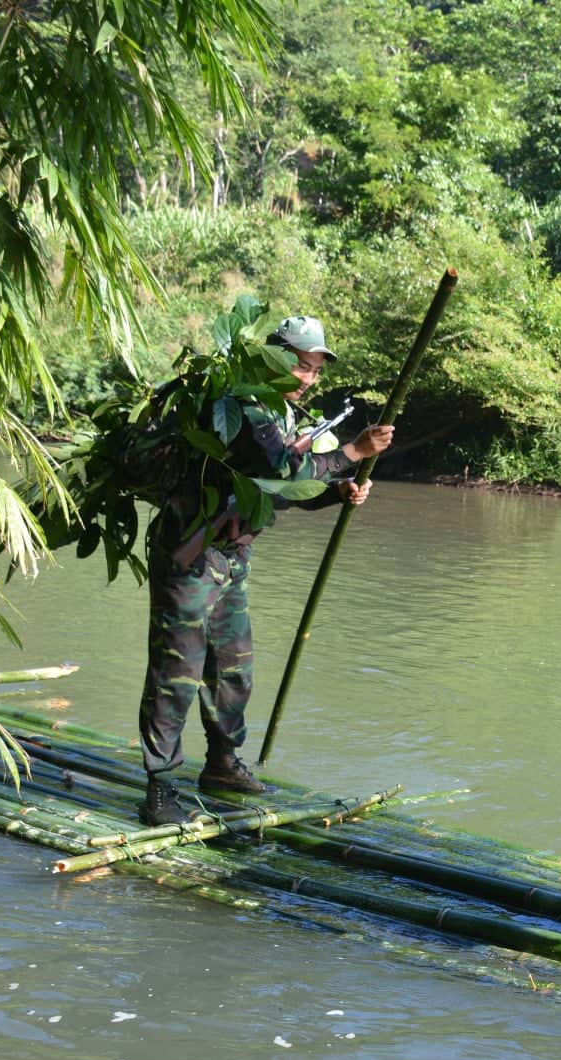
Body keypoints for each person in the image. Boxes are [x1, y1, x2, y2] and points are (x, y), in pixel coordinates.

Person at [136, 315, 394, 826]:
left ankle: (222, 763)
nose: (306, 378)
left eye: (315, 371)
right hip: (190, 555)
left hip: (231, 557)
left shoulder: (284, 415)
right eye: (300, 365)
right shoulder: (242, 406)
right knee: (176, 672)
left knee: (233, 666)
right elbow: (280, 468)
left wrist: (334, 494)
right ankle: (160, 787)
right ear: (273, 357)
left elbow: (274, 490)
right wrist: (352, 454)